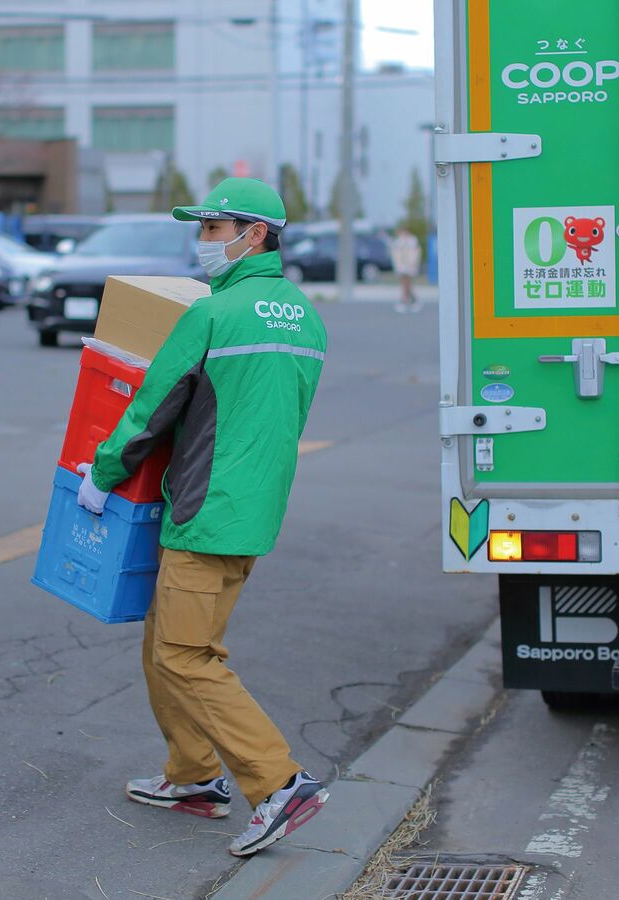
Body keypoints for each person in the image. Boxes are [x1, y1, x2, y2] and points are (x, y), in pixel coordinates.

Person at [74, 177, 330, 858]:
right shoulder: (305, 317)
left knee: (186, 654)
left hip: (203, 509)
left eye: (213, 229)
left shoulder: (213, 316)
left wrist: (101, 476)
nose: (203, 242)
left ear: (255, 234)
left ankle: (278, 783)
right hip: (254, 511)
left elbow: (152, 409)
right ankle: (191, 777)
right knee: (170, 638)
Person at [389, 226, 423, 313]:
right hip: (401, 266)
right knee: (404, 283)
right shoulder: (398, 242)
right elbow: (395, 254)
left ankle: (405, 300)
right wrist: (398, 264)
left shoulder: (412, 241)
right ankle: (411, 300)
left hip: (410, 266)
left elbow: (416, 253)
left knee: (407, 283)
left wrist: (412, 263)